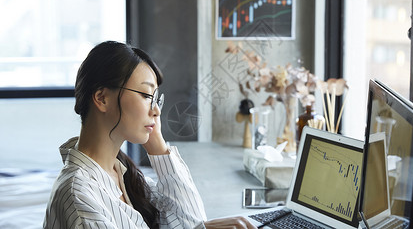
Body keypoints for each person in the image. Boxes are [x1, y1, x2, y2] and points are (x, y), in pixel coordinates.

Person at [44, 41, 256, 229]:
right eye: (146, 95)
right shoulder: (79, 197)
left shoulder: (121, 174)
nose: (156, 111)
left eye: (156, 99)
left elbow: (188, 222)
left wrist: (158, 146)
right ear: (102, 98)